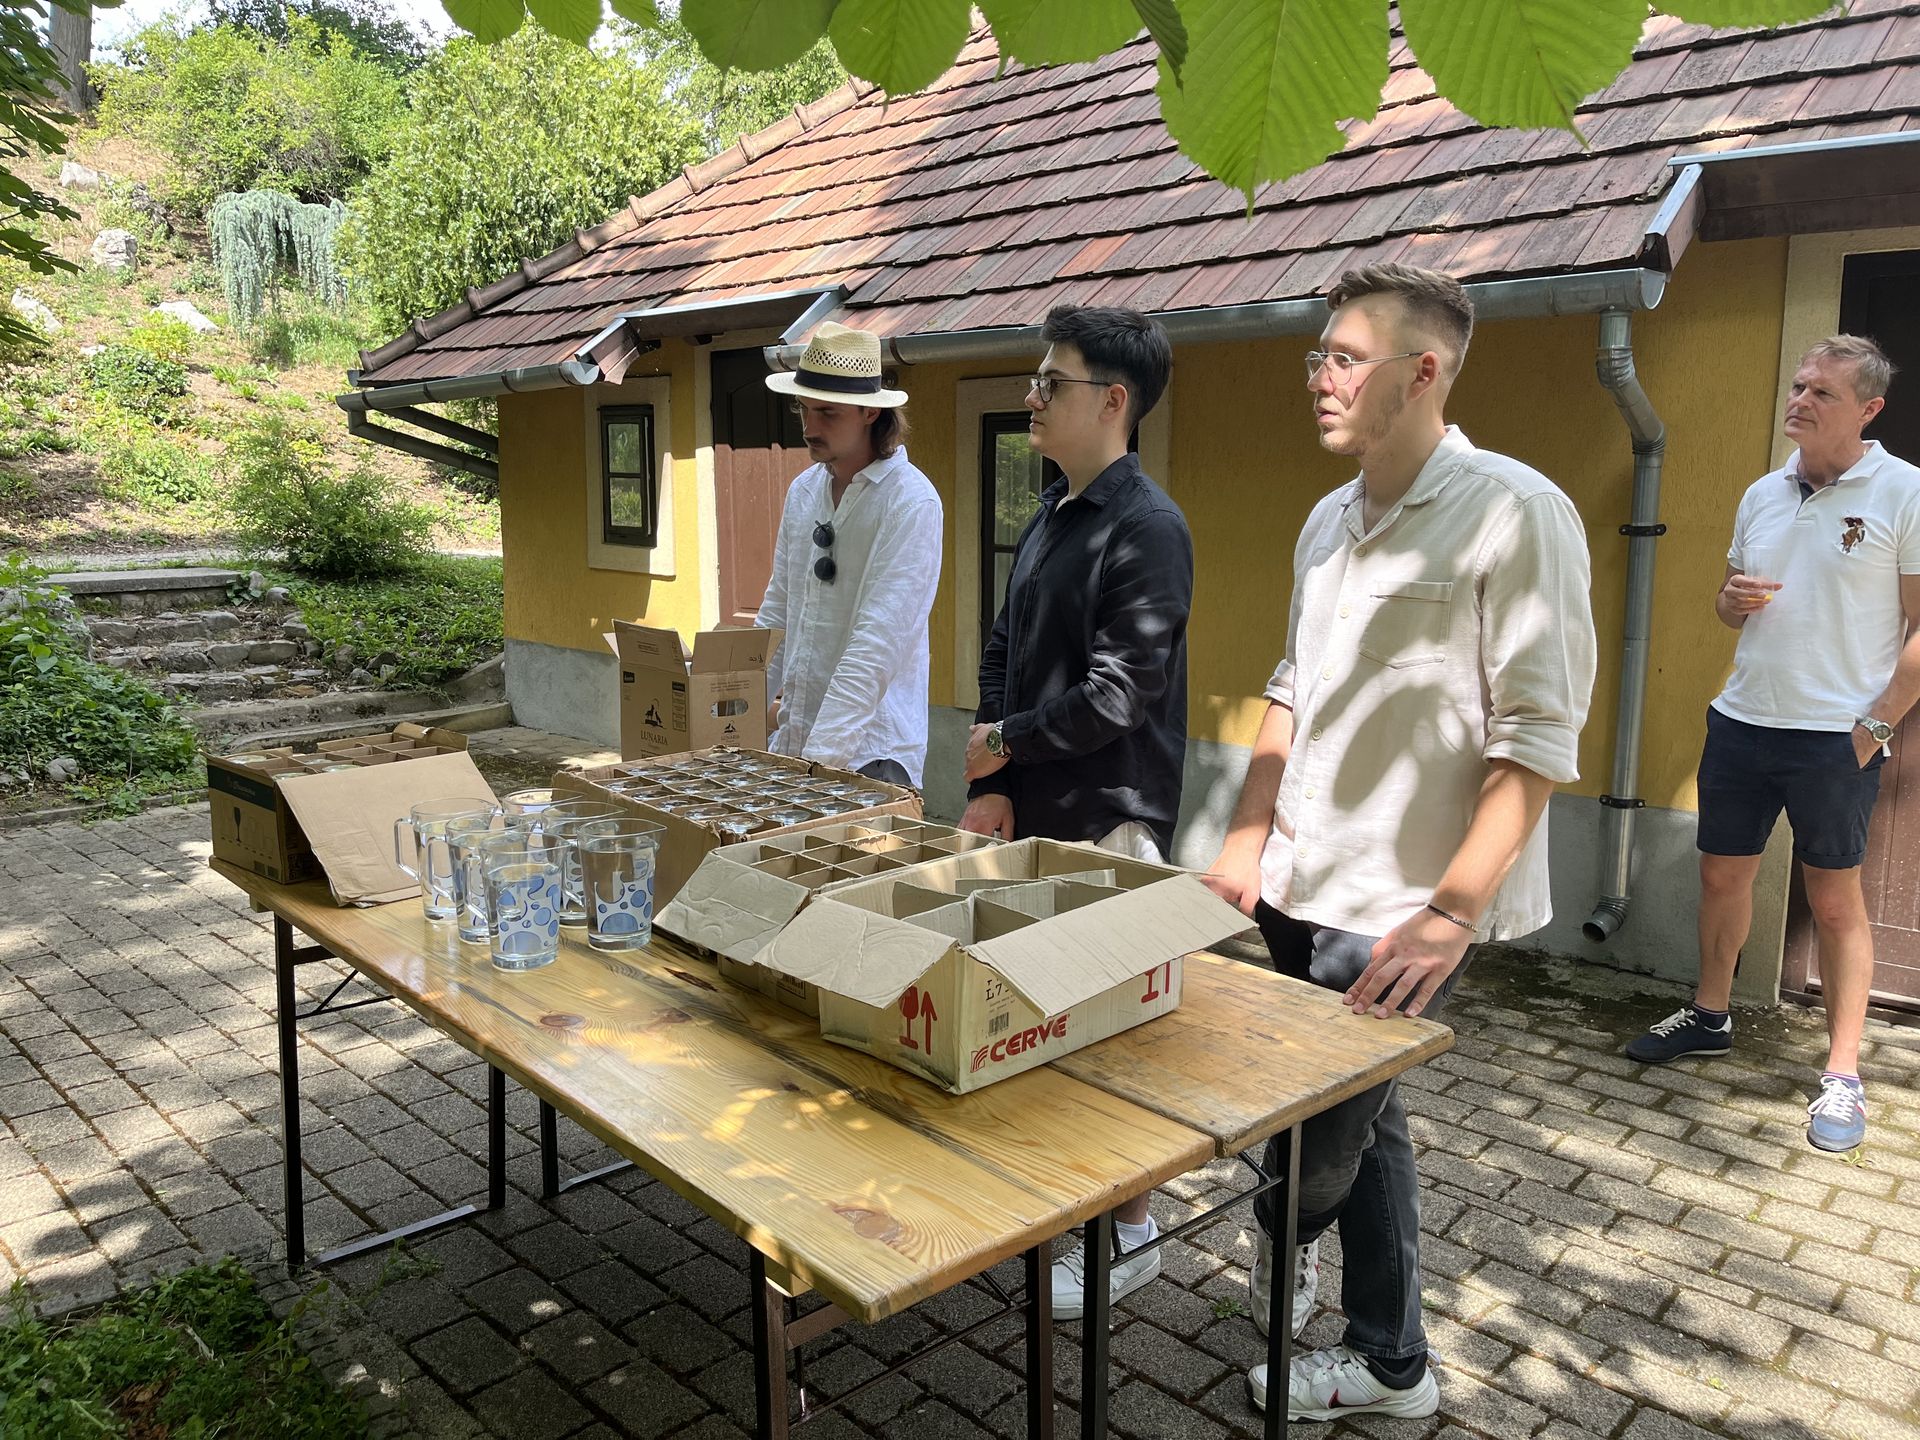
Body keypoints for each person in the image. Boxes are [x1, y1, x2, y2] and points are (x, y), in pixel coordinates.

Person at [1203, 263, 1596, 1420]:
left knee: (1322, 1142)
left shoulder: (1517, 512)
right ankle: (1390, 1353)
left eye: (1343, 358)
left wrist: (1451, 912)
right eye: (1316, 355)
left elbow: (1537, 739)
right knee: (1364, 1123)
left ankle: (1318, 1276)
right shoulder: (1327, 520)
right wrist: (1244, 838)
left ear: (1423, 373)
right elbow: (1293, 687)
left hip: (1399, 908)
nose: (1317, 379)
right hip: (1297, 881)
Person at [1623, 335, 1920, 1155]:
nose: (1800, 401)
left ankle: (1843, 1074)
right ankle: (1710, 1016)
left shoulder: (1904, 492)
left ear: (1868, 409)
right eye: (1797, 385)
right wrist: (1730, 601)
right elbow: (1729, 603)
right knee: (1722, 876)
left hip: (1837, 737)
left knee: (1835, 902)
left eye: (1822, 392)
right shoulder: (1762, 492)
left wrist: (1877, 726)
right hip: (1744, 720)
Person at [958, 303, 1192, 1319]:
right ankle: (1064, 1205)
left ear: (1113, 401)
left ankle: (1132, 1235)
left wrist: (1008, 743)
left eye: (1050, 382)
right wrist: (992, 780)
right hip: (1037, 807)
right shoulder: (1053, 510)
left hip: (1111, 821)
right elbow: (1002, 649)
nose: (1032, 395)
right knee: (1042, 1024)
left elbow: (1121, 694)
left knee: (1114, 1043)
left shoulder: (1148, 529)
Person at [757, 322, 942, 787]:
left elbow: (876, 644)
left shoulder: (910, 502)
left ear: (869, 412)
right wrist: (731, 711)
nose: (809, 427)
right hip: (796, 746)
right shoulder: (804, 491)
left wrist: (818, 767)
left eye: (827, 413)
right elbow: (778, 612)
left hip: (872, 757)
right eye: (803, 408)